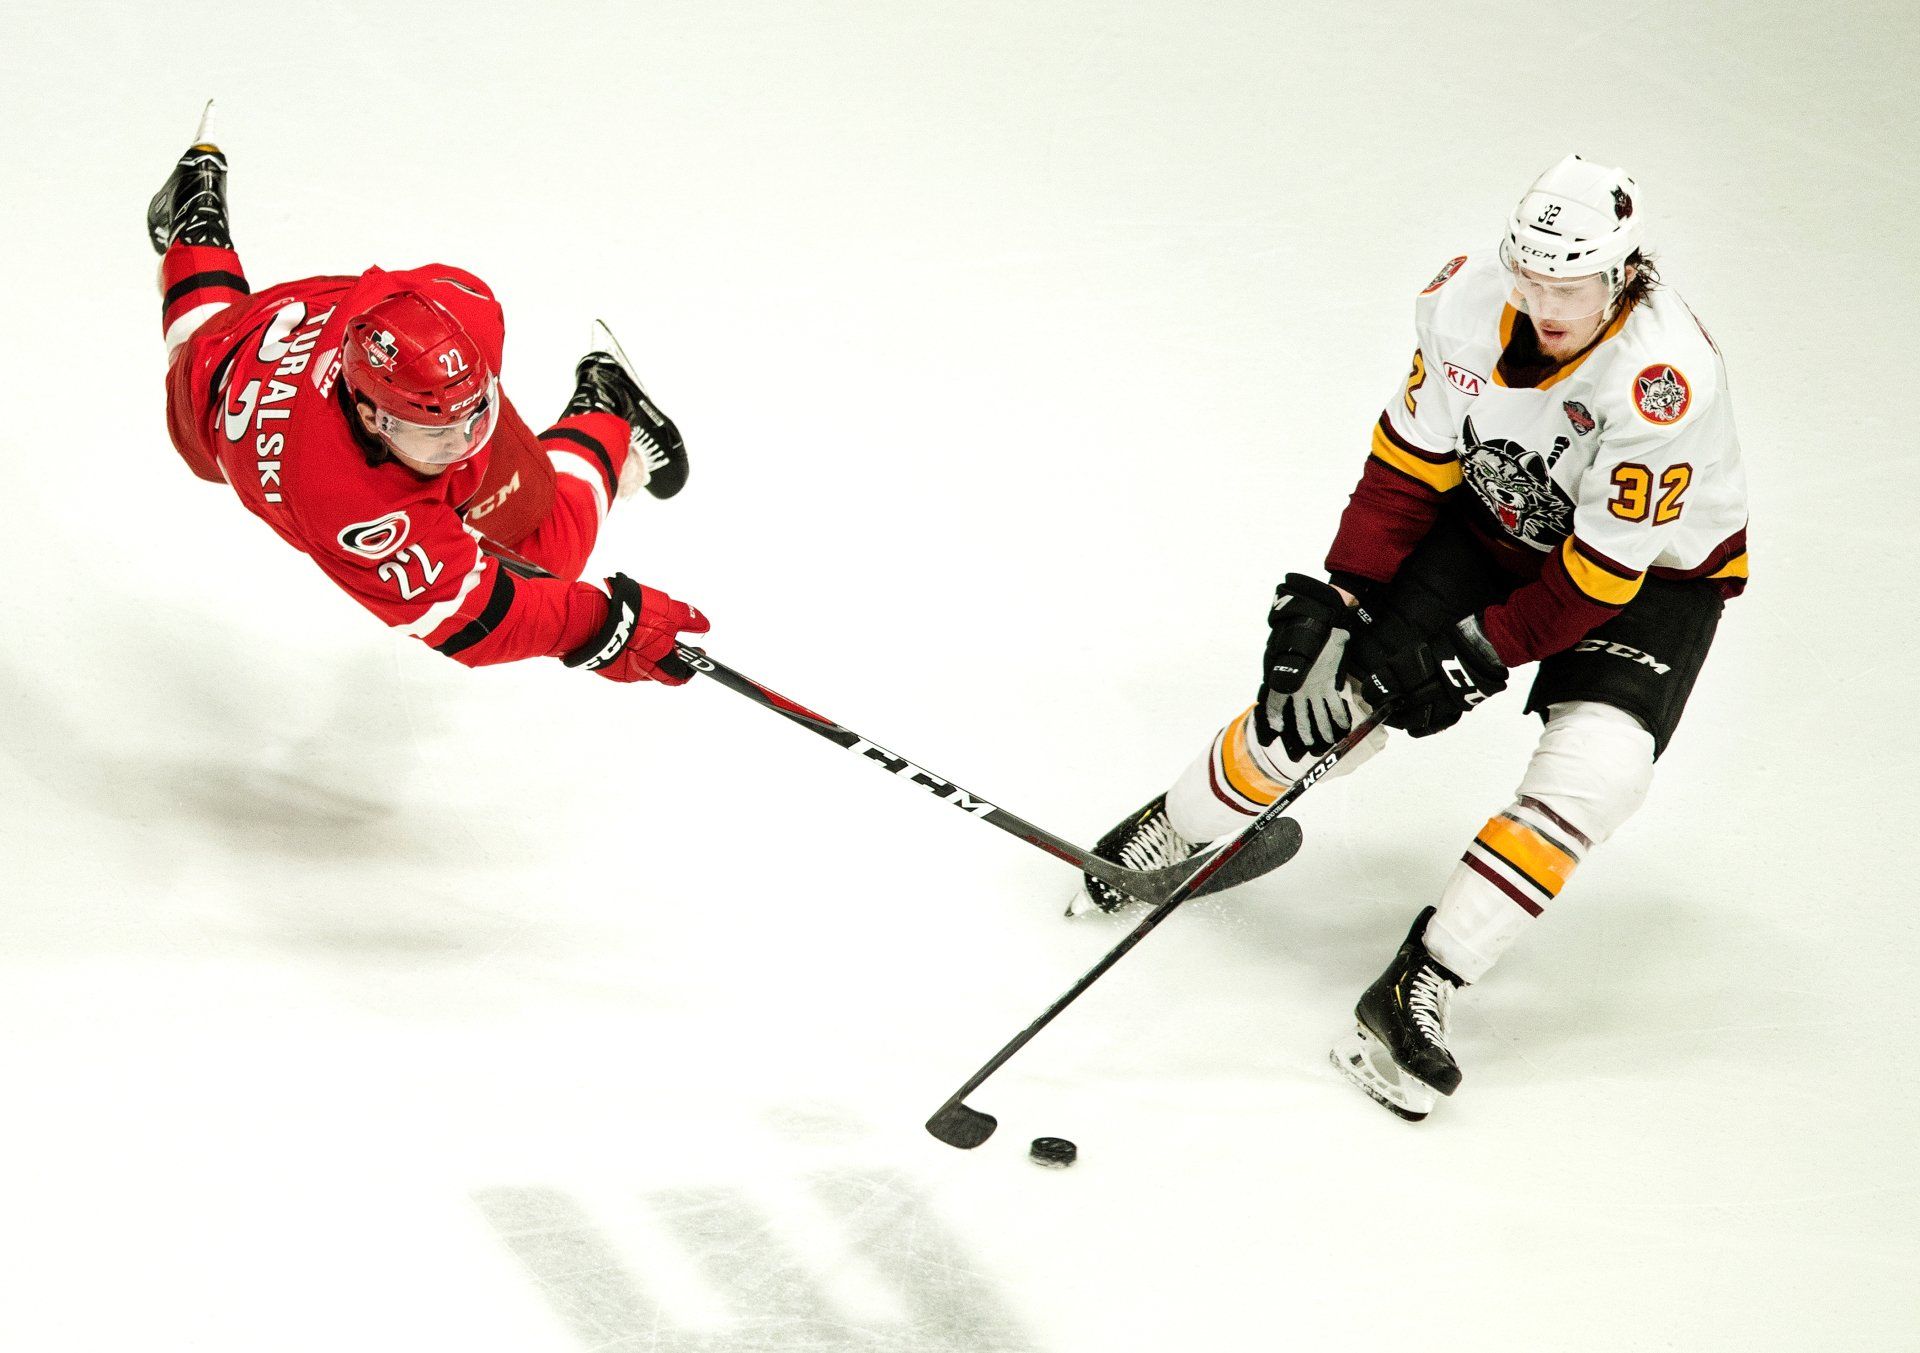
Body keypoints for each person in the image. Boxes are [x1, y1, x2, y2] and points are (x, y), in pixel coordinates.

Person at [1077, 154, 1750, 1121]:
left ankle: (1420, 982)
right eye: (1533, 279)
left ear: (1626, 276)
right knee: (1329, 701)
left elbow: (1602, 575)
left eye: (1571, 287)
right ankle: (1165, 836)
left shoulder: (1663, 382)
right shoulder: (1465, 301)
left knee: (1599, 773)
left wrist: (1476, 654)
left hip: (1650, 582)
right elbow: (1405, 469)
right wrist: (1345, 596)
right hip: (1494, 523)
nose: (1546, 303)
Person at [151, 107, 710, 685]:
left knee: (536, 545)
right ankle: (607, 403)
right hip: (233, 386)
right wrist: (601, 628)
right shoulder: (348, 502)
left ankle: (197, 227)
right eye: (436, 434)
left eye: (474, 419)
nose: (464, 445)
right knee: (549, 571)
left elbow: (440, 302)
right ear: (373, 418)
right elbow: (474, 618)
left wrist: (451, 408)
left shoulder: (457, 319)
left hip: (292, 324)